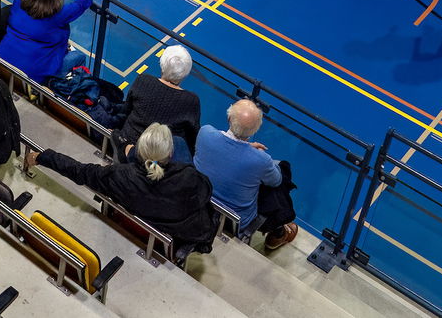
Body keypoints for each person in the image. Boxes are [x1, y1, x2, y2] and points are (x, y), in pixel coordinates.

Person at [25, 123, 217, 253]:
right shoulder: (189, 177)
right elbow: (206, 190)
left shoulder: (120, 176)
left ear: (140, 151)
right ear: (170, 153)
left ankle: (125, 147)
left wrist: (43, 157)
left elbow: (79, 171)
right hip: (176, 235)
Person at [194, 99, 298, 249]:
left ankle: (279, 229)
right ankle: (278, 230)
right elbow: (276, 181)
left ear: (229, 118)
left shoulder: (205, 133)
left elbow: (227, 151)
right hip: (235, 221)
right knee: (281, 170)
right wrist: (251, 150)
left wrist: (246, 147)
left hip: (199, 202)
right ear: (255, 130)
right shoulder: (261, 160)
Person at [0, 0, 92, 84]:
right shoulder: (61, 14)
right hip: (34, 76)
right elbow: (84, 2)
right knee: (79, 57)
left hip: (2, 59)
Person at [116, 44, 200, 159]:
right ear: (185, 73)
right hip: (162, 159)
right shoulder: (191, 101)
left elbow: (125, 111)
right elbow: (193, 139)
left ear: (162, 65)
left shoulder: (143, 80)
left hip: (126, 148)